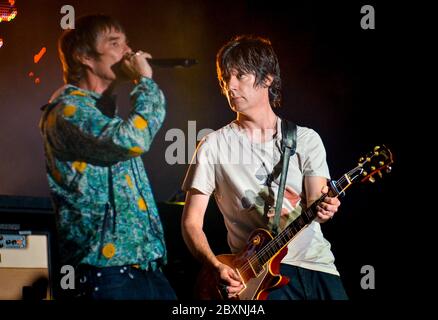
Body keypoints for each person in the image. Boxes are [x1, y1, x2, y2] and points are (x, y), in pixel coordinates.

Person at [181, 35, 348, 300]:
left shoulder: (306, 139)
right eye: (226, 79)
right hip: (255, 280)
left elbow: (318, 202)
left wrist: (327, 208)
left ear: (268, 78)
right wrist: (216, 266)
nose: (230, 87)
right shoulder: (212, 145)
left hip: (318, 267)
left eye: (241, 76)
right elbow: (191, 223)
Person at [39, 14, 176, 300]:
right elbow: (134, 138)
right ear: (83, 56)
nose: (127, 52)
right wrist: (145, 81)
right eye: (114, 43)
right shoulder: (67, 111)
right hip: (107, 273)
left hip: (145, 268)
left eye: (127, 44)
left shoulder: (103, 114)